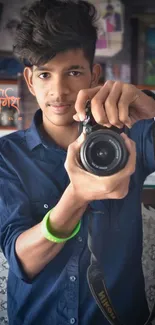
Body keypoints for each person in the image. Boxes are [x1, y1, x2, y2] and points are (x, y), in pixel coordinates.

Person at [0, 1, 155, 325]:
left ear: (93, 74)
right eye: (45, 74)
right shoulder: (7, 156)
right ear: (30, 80)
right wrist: (77, 197)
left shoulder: (130, 135)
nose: (59, 91)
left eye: (73, 72)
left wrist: (150, 104)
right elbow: (21, 260)